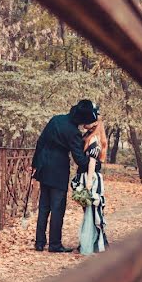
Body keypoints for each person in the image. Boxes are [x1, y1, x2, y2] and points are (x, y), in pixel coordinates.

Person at [30, 100, 96, 253]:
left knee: (43, 208)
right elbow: (79, 159)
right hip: (59, 170)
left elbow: (40, 142)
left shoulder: (55, 119)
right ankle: (54, 244)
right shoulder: (74, 132)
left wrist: (35, 164)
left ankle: (39, 243)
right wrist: (94, 162)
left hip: (44, 167)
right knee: (57, 208)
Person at [73, 116, 109, 255]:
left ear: (95, 124)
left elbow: (92, 163)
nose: (85, 122)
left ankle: (98, 243)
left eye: (89, 120)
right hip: (86, 176)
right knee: (89, 211)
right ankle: (91, 242)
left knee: (94, 211)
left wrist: (88, 184)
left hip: (91, 178)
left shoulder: (94, 139)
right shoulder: (87, 137)